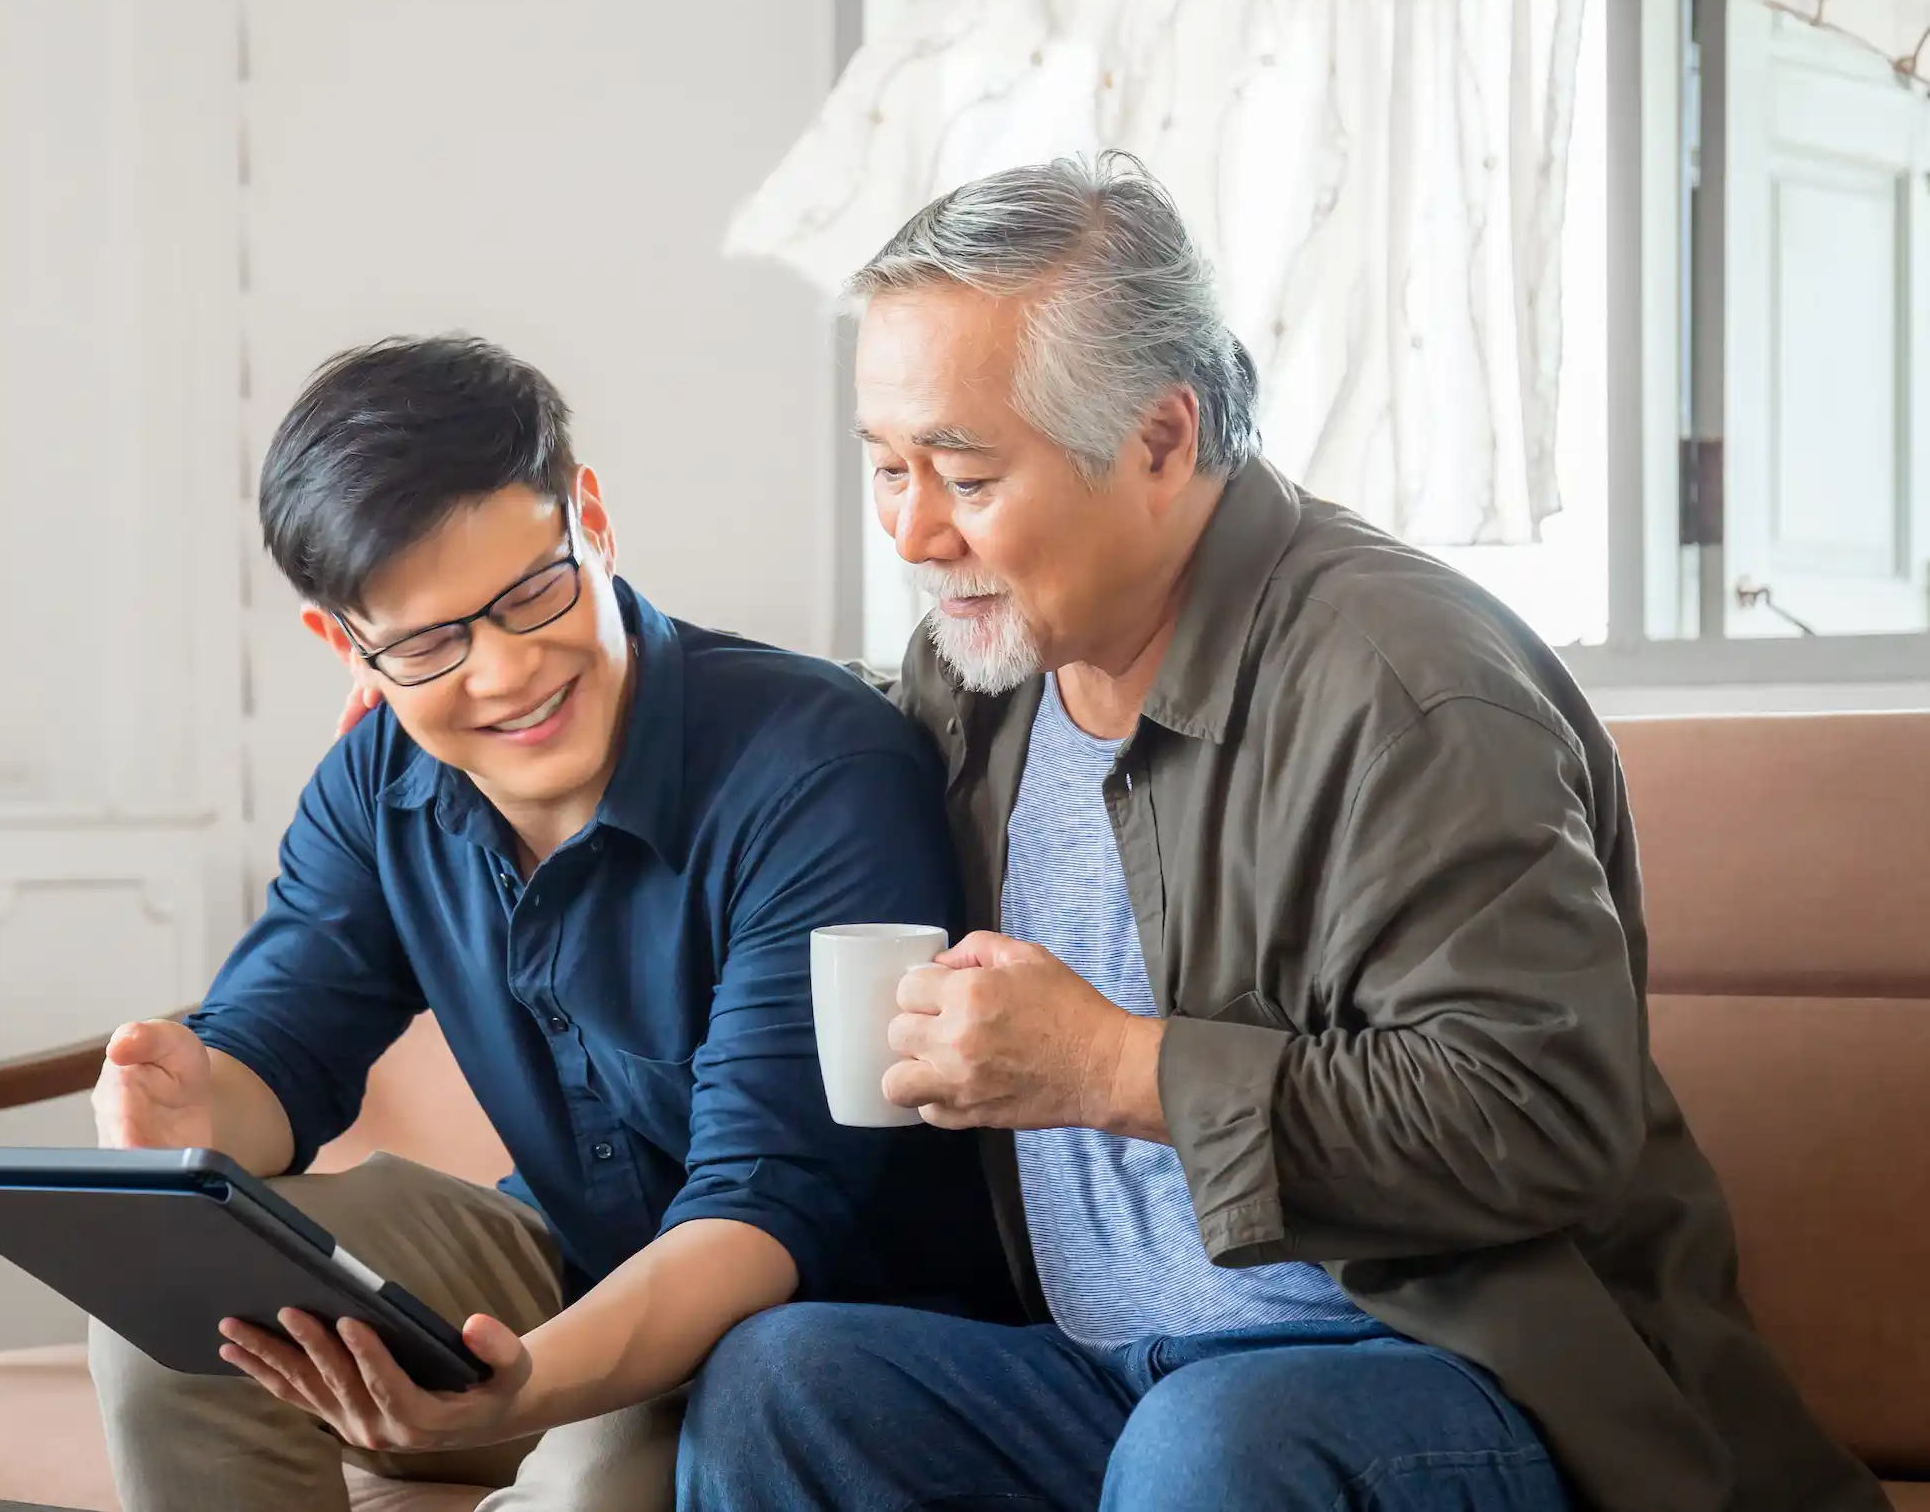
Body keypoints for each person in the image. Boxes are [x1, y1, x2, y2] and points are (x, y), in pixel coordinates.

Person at [678, 156, 1887, 1512]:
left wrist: (1110, 1066)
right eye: (886, 467)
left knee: (1217, 1443)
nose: (912, 527)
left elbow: (1539, 1114)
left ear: (1159, 438)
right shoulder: (982, 668)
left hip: (1453, 1383)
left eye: (962, 472)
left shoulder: (1406, 680)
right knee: (785, 1383)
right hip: (1118, 1383)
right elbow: (776, 784)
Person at [87, 335, 1007, 1512]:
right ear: (346, 643)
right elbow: (278, 1054)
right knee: (178, 1313)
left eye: (533, 591)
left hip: (807, 1319)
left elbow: (761, 1213)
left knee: (593, 1476)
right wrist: (189, 1108)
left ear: (593, 518)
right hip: (561, 1255)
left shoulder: (815, 771)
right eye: (428, 642)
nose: (508, 670)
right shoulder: (377, 782)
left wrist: (515, 1394)